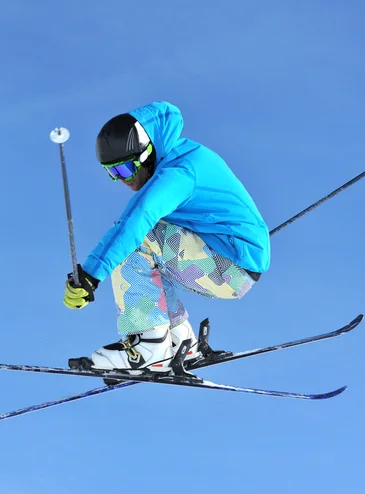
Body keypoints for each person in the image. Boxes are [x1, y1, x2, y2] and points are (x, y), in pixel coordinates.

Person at [64, 101, 270, 374]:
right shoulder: (178, 157)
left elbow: (137, 219)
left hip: (230, 267)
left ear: (146, 154)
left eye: (125, 169)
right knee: (153, 253)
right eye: (112, 173)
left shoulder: (179, 173)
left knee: (139, 240)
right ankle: (178, 340)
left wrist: (90, 274)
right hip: (230, 257)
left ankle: (149, 346)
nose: (122, 179)